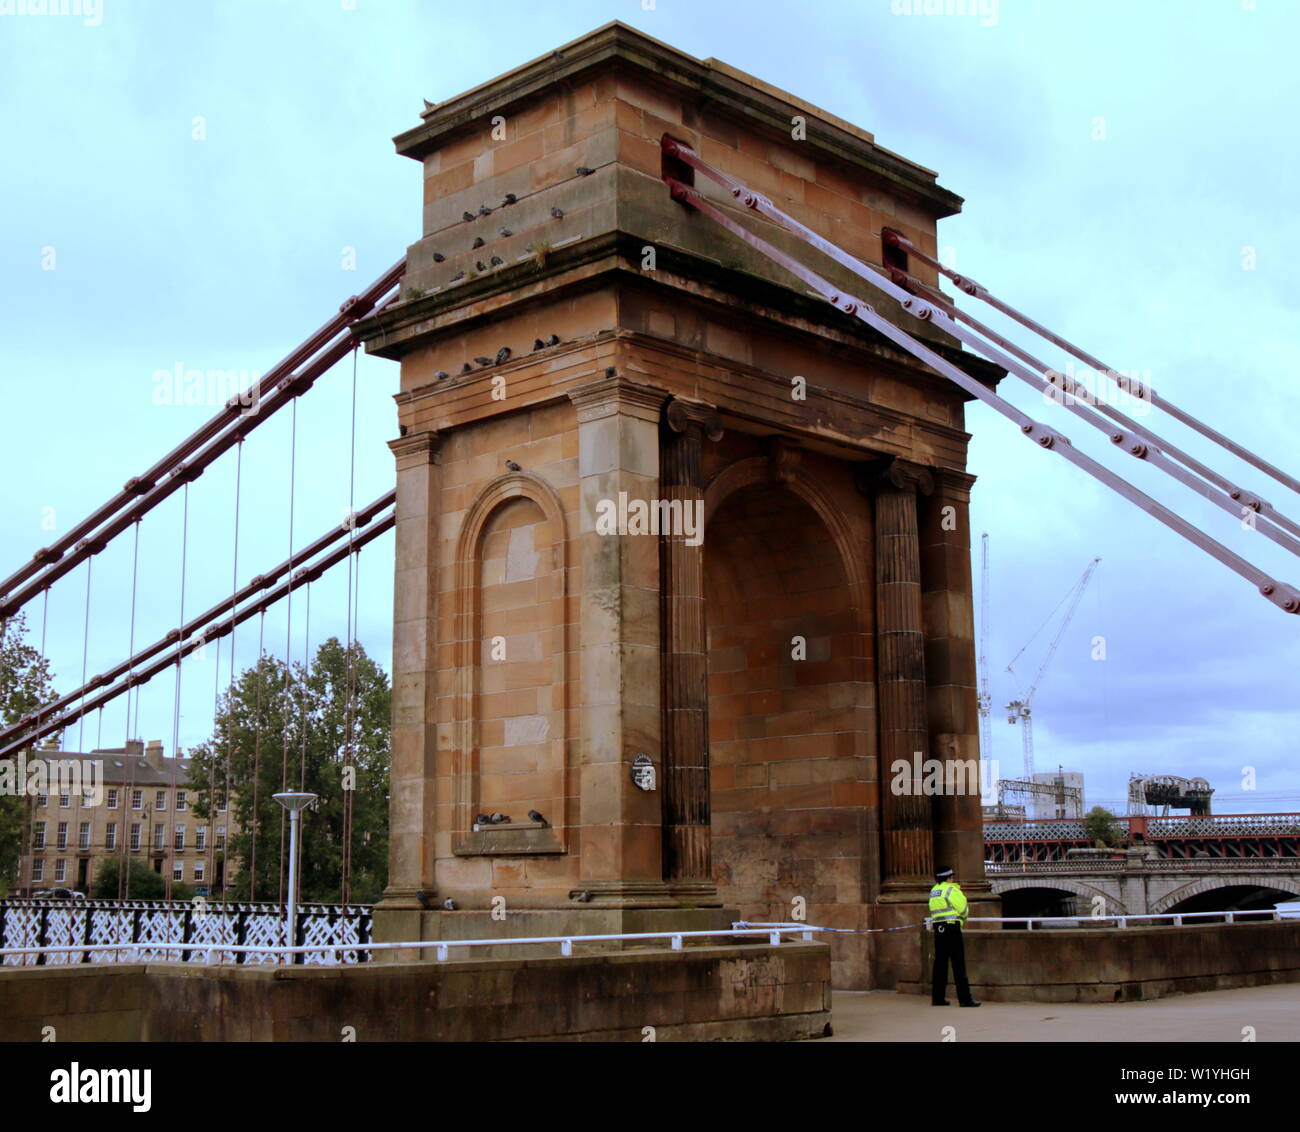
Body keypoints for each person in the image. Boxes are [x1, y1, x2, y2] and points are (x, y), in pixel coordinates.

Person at [929, 865, 980, 1007]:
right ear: (949, 877)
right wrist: (962, 921)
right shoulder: (951, 889)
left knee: (940, 964)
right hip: (952, 928)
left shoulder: (934, 891)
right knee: (958, 964)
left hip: (938, 928)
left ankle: (937, 998)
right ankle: (965, 999)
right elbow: (963, 909)